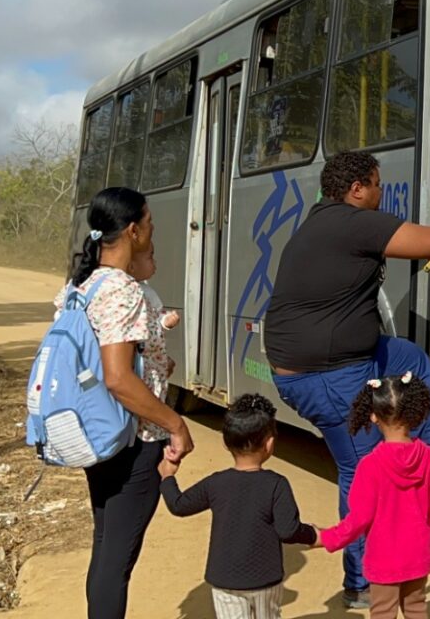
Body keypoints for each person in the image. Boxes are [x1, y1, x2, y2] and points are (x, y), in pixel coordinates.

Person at [264, 151, 430, 609]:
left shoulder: (324, 221)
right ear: (356, 188)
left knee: (408, 357)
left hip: (346, 358)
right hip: (325, 375)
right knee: (362, 474)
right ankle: (362, 583)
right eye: (377, 185)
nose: (382, 194)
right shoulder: (351, 221)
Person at [65, 187, 194, 619]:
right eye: (151, 225)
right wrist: (175, 423)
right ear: (134, 231)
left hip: (97, 432)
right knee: (116, 560)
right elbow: (119, 378)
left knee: (106, 548)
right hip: (132, 438)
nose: (153, 231)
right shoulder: (122, 290)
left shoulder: (82, 284)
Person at [157, 394, 318, 619]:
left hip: (224, 580)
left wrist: (167, 476)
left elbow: (178, 505)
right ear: (269, 443)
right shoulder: (277, 484)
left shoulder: (216, 483)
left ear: (225, 442)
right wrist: (313, 534)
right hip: (265, 581)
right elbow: (288, 530)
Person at [317, 373, 430, 619]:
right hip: (419, 554)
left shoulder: (369, 465)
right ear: (414, 413)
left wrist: (328, 538)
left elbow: (359, 518)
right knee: (416, 608)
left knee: (382, 612)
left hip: (383, 559)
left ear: (373, 416)